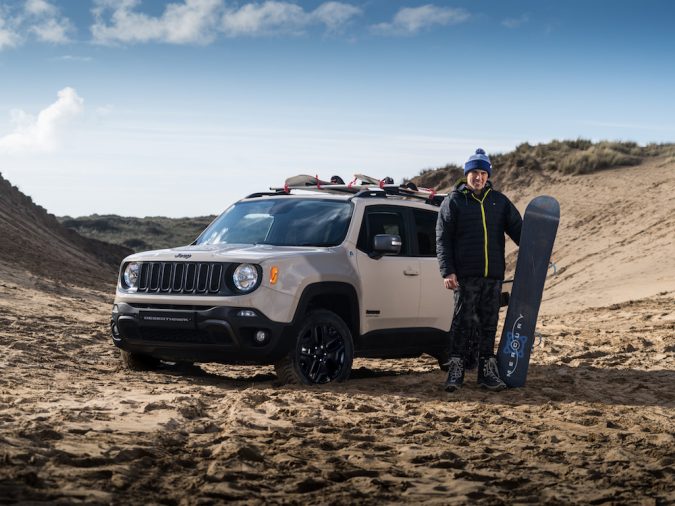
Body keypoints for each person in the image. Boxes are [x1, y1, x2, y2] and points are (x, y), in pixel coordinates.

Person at [436, 148, 522, 392]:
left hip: (492, 276)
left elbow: (518, 230)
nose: (478, 177)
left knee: (488, 324)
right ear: (466, 175)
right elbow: (442, 239)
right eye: (474, 172)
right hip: (465, 276)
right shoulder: (454, 201)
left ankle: (486, 371)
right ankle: (456, 371)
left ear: (488, 176)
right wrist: (447, 271)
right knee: (462, 323)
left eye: (483, 173)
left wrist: (535, 248)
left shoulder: (499, 202)